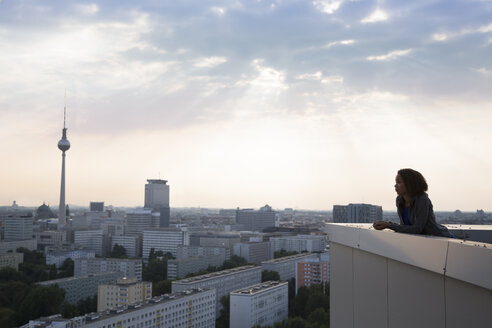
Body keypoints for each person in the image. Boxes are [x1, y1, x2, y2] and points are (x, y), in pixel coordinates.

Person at [373, 168, 452, 237]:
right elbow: (404, 227)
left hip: (439, 238)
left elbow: (417, 229)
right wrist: (386, 225)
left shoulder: (422, 199)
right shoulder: (400, 200)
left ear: (409, 184)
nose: (395, 185)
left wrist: (388, 225)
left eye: (399, 182)